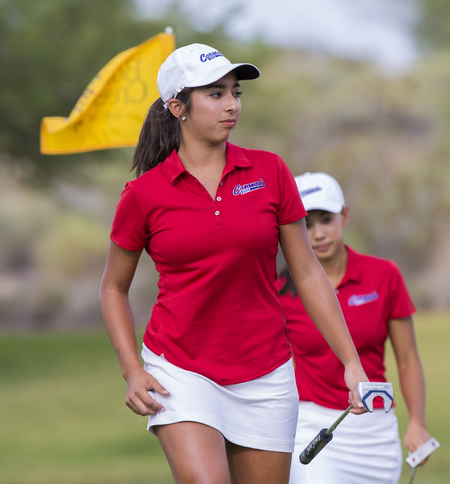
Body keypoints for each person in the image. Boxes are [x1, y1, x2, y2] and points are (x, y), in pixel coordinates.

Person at [99, 44, 369, 484]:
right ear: (177, 107)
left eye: (235, 92)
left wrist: (350, 361)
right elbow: (113, 287)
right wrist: (132, 368)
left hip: (266, 370)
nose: (232, 105)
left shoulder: (270, 171)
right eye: (215, 94)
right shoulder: (143, 194)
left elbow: (305, 271)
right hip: (181, 369)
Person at [278, 172, 432, 484]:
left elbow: (408, 359)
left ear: (344, 216)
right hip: (313, 424)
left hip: (376, 429)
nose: (318, 233)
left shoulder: (384, 275)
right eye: (305, 224)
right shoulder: (277, 287)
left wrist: (417, 421)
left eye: (326, 219)